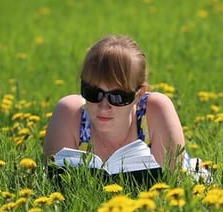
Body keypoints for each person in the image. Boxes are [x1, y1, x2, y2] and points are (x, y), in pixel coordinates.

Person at [43, 34, 210, 182]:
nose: (104, 106)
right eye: (93, 93)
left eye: (118, 97)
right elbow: (53, 184)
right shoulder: (70, 114)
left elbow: (173, 182)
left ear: (139, 94)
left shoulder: (155, 111)